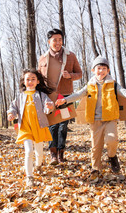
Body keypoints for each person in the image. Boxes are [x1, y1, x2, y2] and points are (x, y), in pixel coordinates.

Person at [55, 56, 126, 175]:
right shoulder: (89, 85)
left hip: (110, 118)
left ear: (108, 70)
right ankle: (96, 168)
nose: (101, 71)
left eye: (104, 68)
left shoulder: (113, 84)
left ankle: (112, 156)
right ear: (93, 70)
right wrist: (65, 100)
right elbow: (78, 95)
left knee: (112, 140)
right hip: (95, 120)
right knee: (96, 146)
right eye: (98, 68)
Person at [38, 28, 82, 165]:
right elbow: (38, 78)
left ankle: (61, 153)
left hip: (65, 96)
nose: (57, 42)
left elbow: (79, 73)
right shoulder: (43, 58)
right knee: (52, 126)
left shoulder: (70, 56)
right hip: (49, 97)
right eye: (54, 40)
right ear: (49, 42)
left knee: (63, 125)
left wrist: (70, 76)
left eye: (60, 39)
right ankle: (53, 154)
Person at [7, 68, 55, 187]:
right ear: (24, 82)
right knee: (28, 151)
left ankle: (38, 165)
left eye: (33, 79)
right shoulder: (20, 97)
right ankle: (30, 176)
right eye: (27, 79)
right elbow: (13, 107)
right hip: (25, 128)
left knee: (39, 152)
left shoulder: (41, 95)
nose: (30, 81)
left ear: (38, 81)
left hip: (39, 127)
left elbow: (48, 107)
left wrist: (50, 106)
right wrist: (11, 113)